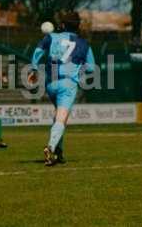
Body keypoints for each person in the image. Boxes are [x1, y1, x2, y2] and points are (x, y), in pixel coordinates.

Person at [29, 12, 96, 166]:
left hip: (51, 83)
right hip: (68, 84)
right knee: (61, 117)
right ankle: (51, 147)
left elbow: (38, 51)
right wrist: (78, 71)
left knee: (59, 118)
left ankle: (59, 153)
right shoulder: (84, 44)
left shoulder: (51, 37)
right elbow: (92, 68)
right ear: (78, 26)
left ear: (63, 25)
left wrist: (33, 69)